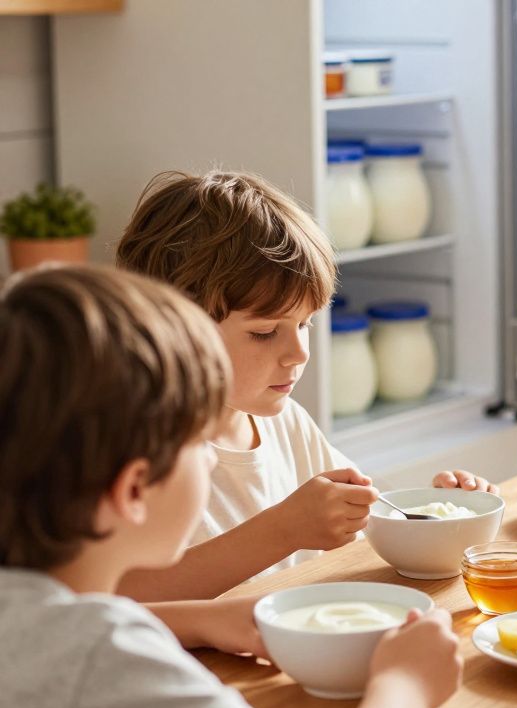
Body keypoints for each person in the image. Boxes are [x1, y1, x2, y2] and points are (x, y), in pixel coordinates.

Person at [0, 265, 462, 708]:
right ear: (133, 491)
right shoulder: (106, 658)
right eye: (200, 440)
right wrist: (405, 685)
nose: (210, 457)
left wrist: (197, 620)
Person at [115, 171, 494, 601]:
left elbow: (366, 514)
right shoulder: (131, 450)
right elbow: (120, 598)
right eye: (264, 332)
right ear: (172, 327)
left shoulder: (284, 423)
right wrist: (281, 531)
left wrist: (435, 514)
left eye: (305, 324)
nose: (299, 353)